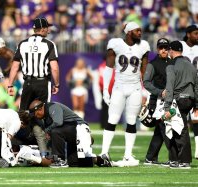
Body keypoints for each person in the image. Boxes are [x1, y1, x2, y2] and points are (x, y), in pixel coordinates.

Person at [100, 22, 150, 167]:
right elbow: (109, 68)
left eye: (141, 30)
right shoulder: (115, 44)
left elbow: (144, 70)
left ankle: (128, 155)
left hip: (135, 88)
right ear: (128, 32)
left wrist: (145, 89)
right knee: (113, 119)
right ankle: (104, 153)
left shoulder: (143, 46)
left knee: (131, 120)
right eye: (137, 30)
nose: (140, 33)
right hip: (119, 87)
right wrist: (105, 90)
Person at [7, 17, 60, 156]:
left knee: (22, 115)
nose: (48, 29)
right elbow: (54, 68)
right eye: (47, 27)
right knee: (44, 114)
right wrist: (57, 84)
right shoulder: (49, 44)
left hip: (28, 83)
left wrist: (10, 84)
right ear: (42, 29)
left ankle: (14, 146)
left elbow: (15, 66)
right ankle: (46, 150)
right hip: (42, 82)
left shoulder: (22, 43)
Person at [29, 99, 97, 167]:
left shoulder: (53, 107)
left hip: (79, 128)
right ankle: (98, 160)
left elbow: (58, 122)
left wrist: (47, 131)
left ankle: (59, 159)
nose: (35, 117)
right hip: (70, 131)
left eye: (35, 114)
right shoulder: (45, 117)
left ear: (40, 109)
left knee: (55, 132)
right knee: (73, 163)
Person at [163, 41, 198, 169]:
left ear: (171, 50)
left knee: (178, 129)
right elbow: (197, 86)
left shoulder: (171, 66)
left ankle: (183, 160)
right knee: (175, 126)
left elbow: (170, 87)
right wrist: (197, 105)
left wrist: (167, 107)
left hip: (178, 100)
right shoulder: (191, 65)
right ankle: (174, 159)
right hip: (190, 100)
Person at [142, 38, 172, 165]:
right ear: (157, 49)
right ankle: (174, 157)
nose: (164, 50)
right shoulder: (152, 64)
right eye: (161, 48)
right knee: (165, 128)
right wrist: (159, 92)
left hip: (170, 99)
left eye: (166, 48)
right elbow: (146, 82)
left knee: (160, 130)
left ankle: (150, 157)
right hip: (158, 100)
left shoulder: (172, 62)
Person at [180, 24, 198, 159]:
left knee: (196, 117)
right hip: (183, 85)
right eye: (195, 33)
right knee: (182, 119)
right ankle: (180, 151)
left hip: (196, 85)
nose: (197, 36)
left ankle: (197, 148)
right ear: (188, 34)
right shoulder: (180, 46)